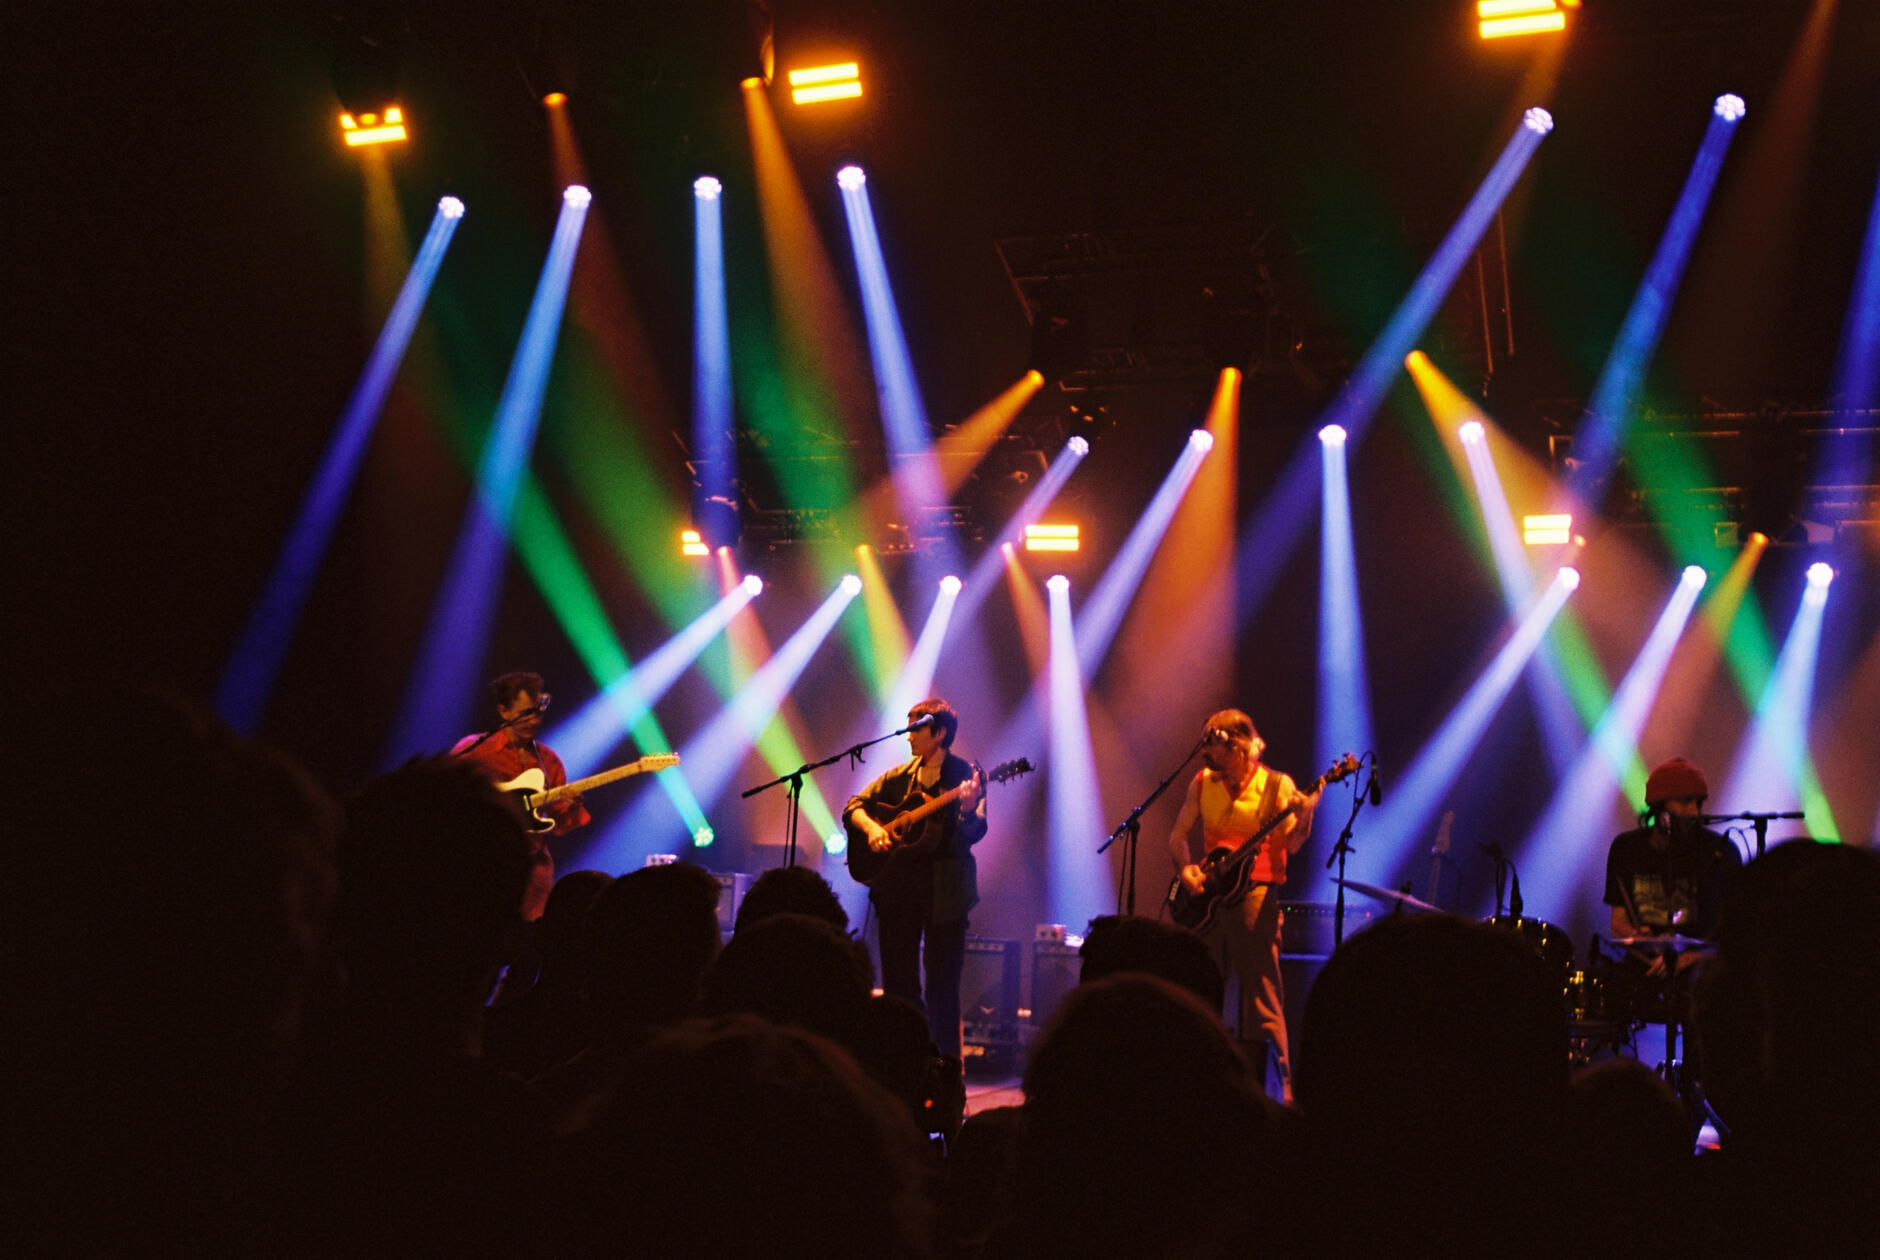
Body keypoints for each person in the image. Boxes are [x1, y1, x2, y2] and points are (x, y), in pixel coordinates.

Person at [1167, 708, 1318, 1101]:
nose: (1208, 756)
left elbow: (1294, 843)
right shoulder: (1202, 783)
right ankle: (1200, 1083)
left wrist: (1305, 815)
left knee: (1261, 994)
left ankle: (1277, 1091)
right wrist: (1186, 870)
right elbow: (1177, 836)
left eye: (1215, 747)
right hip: (1211, 897)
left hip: (1258, 893)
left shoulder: (1276, 785)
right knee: (1202, 987)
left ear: (1238, 746)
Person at [844, 697, 986, 1057]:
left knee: (943, 986)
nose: (908, 738)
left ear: (939, 733)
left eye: (915, 730)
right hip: (898, 890)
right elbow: (853, 807)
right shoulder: (899, 777)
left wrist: (968, 808)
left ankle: (946, 1074)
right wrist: (874, 829)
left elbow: (974, 832)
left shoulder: (965, 777)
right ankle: (904, 1062)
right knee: (898, 983)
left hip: (946, 892)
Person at [452, 670, 588, 921]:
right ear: (504, 712)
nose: (534, 720)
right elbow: (445, 799)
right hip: (482, 868)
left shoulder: (549, 761)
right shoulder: (476, 751)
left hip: (533, 877)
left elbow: (560, 826)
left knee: (527, 948)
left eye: (537, 711)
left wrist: (567, 807)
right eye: (525, 713)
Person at [1604, 756, 1741, 976]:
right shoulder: (1627, 848)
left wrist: (1687, 958)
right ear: (1660, 808)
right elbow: (1618, 923)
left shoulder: (1721, 852)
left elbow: (1733, 934)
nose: (1694, 812)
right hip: (1644, 968)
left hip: (1700, 976)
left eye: (1698, 803)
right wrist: (1639, 937)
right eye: (1686, 801)